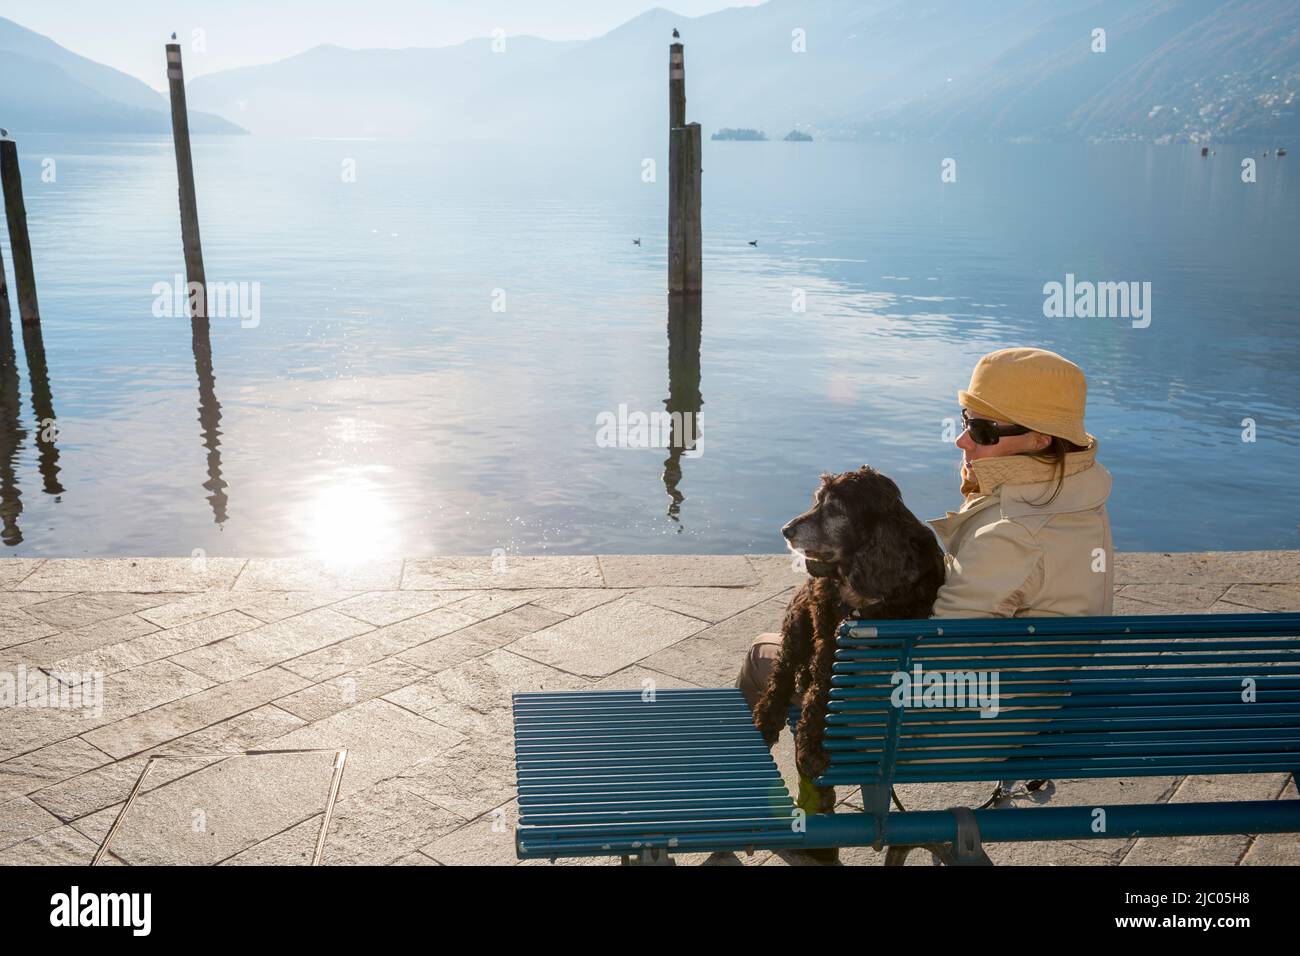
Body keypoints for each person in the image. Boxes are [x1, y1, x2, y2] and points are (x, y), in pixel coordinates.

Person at [735, 346, 1114, 856]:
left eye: (982, 431)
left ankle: (789, 818)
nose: (962, 439)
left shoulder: (1011, 533)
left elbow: (935, 661)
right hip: (1035, 711)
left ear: (1041, 438)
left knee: (765, 656)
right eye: (966, 421)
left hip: (960, 734)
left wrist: (845, 605)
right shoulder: (1079, 502)